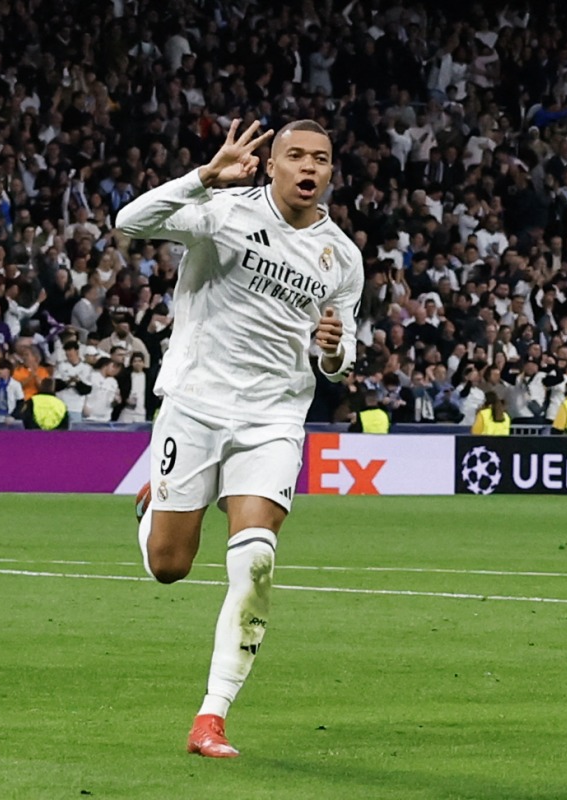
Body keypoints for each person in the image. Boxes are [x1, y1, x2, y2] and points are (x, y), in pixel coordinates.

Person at [117, 119, 361, 758]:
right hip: (196, 406)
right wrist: (202, 176)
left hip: (274, 419)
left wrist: (333, 354)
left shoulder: (342, 257)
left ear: (331, 173)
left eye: (323, 159)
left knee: (255, 560)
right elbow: (129, 221)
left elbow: (343, 354)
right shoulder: (220, 211)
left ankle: (211, 716)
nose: (310, 167)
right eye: (296, 156)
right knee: (170, 567)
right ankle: (153, 509)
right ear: (272, 164)